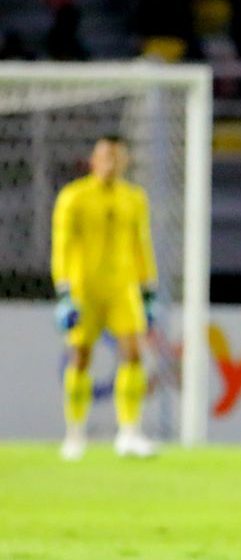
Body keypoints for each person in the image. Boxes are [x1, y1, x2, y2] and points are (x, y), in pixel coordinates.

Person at [52, 136, 160, 460]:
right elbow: (62, 245)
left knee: (133, 354)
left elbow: (142, 243)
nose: (110, 163)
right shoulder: (74, 197)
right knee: (81, 357)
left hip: (123, 288)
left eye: (117, 157)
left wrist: (148, 289)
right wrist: (63, 291)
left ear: (125, 162)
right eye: (105, 157)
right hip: (84, 289)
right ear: (93, 160)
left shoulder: (134, 198)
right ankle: (74, 434)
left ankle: (129, 433)